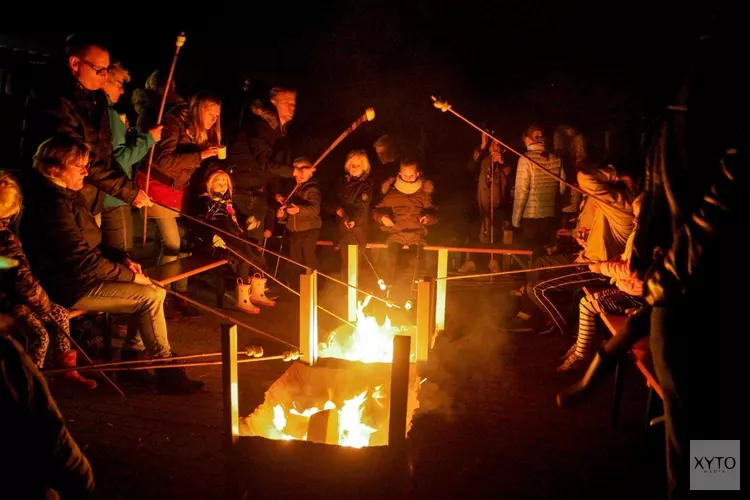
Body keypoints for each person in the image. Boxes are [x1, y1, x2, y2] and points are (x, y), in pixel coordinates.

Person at [19, 135, 203, 395]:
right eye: (78, 166)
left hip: (83, 275)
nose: (86, 171)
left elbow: (93, 243)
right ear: (54, 168)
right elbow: (80, 260)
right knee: (150, 296)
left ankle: (140, 354)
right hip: (68, 285)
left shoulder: (67, 196)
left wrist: (122, 259)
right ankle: (165, 369)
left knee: (153, 290)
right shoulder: (51, 205)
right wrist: (129, 276)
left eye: (86, 164)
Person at [19, 33, 151, 218]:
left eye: (106, 69)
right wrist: (127, 191)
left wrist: (130, 189)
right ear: (75, 64)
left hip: (89, 196)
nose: (105, 77)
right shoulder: (55, 98)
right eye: (99, 70)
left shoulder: (96, 98)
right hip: (63, 199)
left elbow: (105, 152)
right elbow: (76, 158)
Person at [0, 173, 96, 389]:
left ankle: (66, 371)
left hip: (14, 296)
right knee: (40, 336)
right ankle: (30, 385)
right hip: (9, 301)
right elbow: (22, 281)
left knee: (60, 313)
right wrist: (42, 306)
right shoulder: (5, 241)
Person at [136, 91, 223, 317]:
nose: (214, 119)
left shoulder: (202, 131)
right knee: (172, 242)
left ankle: (180, 296)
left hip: (177, 191)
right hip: (155, 185)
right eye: (210, 113)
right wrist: (199, 156)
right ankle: (158, 296)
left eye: (217, 115)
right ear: (197, 107)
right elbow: (162, 160)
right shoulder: (174, 121)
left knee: (181, 243)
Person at [1, 317, 95, 499]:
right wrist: (78, 474)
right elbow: (45, 426)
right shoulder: (5, 357)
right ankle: (45, 368)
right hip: (15, 480)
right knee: (42, 335)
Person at [557, 195, 644, 371]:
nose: (634, 219)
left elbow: (630, 270)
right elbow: (629, 259)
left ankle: (582, 354)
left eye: (638, 215)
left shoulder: (645, 238)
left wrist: (601, 267)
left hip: (636, 296)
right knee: (585, 299)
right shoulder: (640, 233)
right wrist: (616, 259)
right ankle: (581, 345)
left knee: (587, 304)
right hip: (629, 288)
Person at [99, 61, 163, 253]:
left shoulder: (103, 111)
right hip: (114, 196)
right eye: (119, 84)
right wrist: (149, 139)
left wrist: (131, 134)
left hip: (107, 193)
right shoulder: (107, 114)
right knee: (122, 253)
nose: (122, 91)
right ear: (104, 81)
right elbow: (118, 159)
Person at [189, 165, 269, 314]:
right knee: (244, 255)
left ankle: (257, 292)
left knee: (254, 249)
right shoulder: (204, 201)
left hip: (230, 237)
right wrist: (212, 237)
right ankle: (243, 299)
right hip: (213, 242)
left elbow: (234, 221)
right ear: (209, 183)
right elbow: (198, 224)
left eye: (225, 181)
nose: (222, 184)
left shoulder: (227, 203)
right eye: (217, 181)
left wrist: (247, 220)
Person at [229, 86, 296, 244]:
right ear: (273, 103)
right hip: (240, 194)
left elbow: (268, 172)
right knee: (243, 247)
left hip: (256, 196)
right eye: (286, 102)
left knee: (255, 245)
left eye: (293, 103)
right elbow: (265, 162)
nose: (291, 107)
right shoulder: (260, 127)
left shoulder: (278, 133)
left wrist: (276, 193)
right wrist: (295, 171)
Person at [372, 158, 438, 301]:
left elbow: (436, 214)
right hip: (396, 235)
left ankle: (415, 296)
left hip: (416, 237)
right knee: (389, 261)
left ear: (418, 174)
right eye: (404, 175)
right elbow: (375, 211)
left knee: (416, 265)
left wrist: (428, 218)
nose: (408, 179)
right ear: (399, 174)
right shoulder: (392, 194)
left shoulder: (423, 195)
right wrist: (382, 218)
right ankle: (387, 293)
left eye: (411, 175)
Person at [511, 125, 565, 250]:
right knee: (545, 254)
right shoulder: (556, 158)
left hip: (531, 219)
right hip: (550, 218)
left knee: (530, 255)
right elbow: (562, 187)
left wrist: (515, 221)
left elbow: (521, 193)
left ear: (528, 140)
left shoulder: (525, 159)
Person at [276, 158, 321, 281]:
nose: (299, 175)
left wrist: (299, 209)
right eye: (298, 171)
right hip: (294, 230)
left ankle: (314, 286)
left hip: (309, 229)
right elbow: (288, 210)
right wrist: (282, 215)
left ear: (310, 172)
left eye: (303, 170)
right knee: (294, 259)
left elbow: (315, 209)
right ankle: (296, 288)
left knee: (308, 257)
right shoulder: (292, 188)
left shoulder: (312, 189)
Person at [335, 150, 374, 276]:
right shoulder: (342, 182)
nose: (354, 168)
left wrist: (354, 221)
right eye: (352, 165)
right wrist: (337, 209)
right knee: (344, 264)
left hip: (357, 231)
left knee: (355, 265)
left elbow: (362, 207)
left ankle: (356, 293)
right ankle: (344, 293)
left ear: (364, 167)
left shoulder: (365, 186)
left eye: (357, 165)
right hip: (342, 229)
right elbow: (333, 200)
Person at [132, 68, 184, 134]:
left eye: (173, 87)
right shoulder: (148, 113)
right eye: (169, 87)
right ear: (156, 88)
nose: (172, 91)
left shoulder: (174, 107)